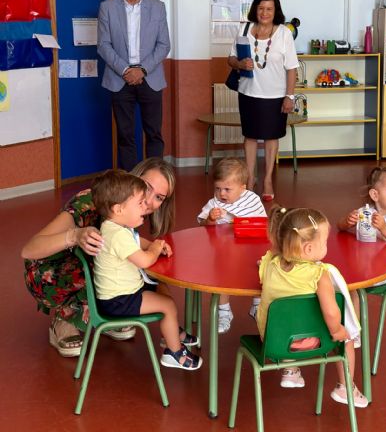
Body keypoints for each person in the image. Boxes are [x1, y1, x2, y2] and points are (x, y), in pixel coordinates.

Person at [21, 158, 175, 358]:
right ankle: (65, 318)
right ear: (134, 178)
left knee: (119, 260)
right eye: (146, 187)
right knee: (102, 258)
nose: (148, 200)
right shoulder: (89, 202)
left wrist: (155, 247)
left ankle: (110, 315)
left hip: (86, 265)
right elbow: (29, 250)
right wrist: (75, 235)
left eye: (159, 197)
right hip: (48, 273)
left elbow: (129, 241)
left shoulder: (129, 208)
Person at [257, 205, 367, 407]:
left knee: (286, 318)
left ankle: (290, 370)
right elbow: (331, 311)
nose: (327, 246)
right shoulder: (319, 274)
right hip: (314, 341)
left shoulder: (270, 263)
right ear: (308, 248)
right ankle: (346, 388)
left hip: (274, 341)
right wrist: (337, 331)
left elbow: (263, 273)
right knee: (346, 339)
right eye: (324, 242)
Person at [92, 169, 201, 370]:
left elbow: (135, 242)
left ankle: (170, 334)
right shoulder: (117, 234)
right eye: (140, 203)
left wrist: (154, 246)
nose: (146, 206)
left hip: (121, 294)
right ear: (118, 209)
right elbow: (143, 261)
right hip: (119, 301)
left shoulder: (115, 227)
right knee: (168, 305)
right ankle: (174, 353)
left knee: (161, 287)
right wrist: (154, 248)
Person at [97, 0, 170, 172]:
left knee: (154, 132)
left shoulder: (158, 7)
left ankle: (155, 180)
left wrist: (142, 70)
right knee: (125, 134)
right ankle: (130, 184)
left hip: (151, 78)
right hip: (120, 79)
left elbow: (164, 44)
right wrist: (126, 71)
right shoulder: (107, 7)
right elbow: (103, 45)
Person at [227, 0, 298, 202]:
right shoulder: (245, 29)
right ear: (255, 9)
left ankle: (267, 179)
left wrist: (290, 97)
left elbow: (292, 68)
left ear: (275, 11)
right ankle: (250, 179)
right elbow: (230, 58)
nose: (264, 13)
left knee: (270, 137)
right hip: (248, 92)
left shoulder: (284, 33)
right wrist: (239, 64)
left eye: (269, 9)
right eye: (261, 8)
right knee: (249, 136)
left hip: (275, 96)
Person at [337, 166, 386, 340]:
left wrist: (385, 229)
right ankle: (341, 329)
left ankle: (352, 335)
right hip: (363, 266)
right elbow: (340, 228)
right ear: (375, 195)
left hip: (385, 271)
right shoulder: (366, 213)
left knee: (351, 289)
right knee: (337, 285)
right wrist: (347, 221)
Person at [197, 157, 266, 333]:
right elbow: (203, 225)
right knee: (222, 280)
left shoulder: (252, 199)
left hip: (250, 250)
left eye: (228, 189)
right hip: (224, 252)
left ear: (243, 187)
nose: (222, 194)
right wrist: (211, 218)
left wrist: (239, 220)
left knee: (259, 273)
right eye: (218, 188)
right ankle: (224, 312)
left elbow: (262, 224)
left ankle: (257, 304)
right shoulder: (215, 203)